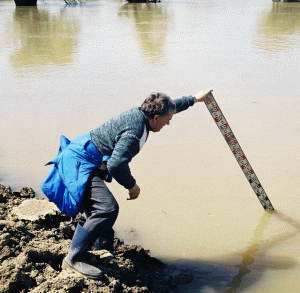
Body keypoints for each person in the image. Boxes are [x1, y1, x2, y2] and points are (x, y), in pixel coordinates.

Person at [41, 89, 212, 280]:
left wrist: (195, 99)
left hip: (88, 157)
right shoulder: (135, 132)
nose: (169, 123)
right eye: (167, 120)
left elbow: (171, 108)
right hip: (79, 163)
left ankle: (103, 255)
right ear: (155, 118)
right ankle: (73, 259)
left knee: (100, 216)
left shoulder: (144, 113)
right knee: (106, 209)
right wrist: (132, 185)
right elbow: (116, 164)